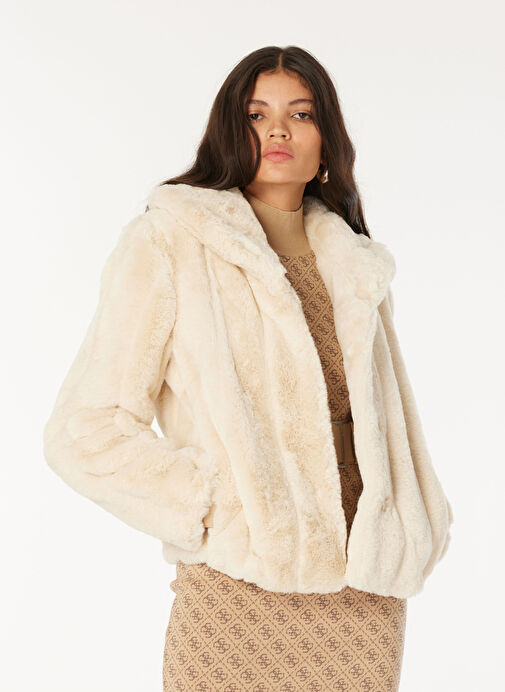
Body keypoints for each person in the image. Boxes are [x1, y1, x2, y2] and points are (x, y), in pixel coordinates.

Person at [43, 45, 453, 691]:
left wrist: (415, 519)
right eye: (256, 115)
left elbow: (382, 421)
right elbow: (86, 428)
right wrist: (214, 506)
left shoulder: (356, 265)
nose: (278, 131)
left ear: (327, 140)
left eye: (301, 114)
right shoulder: (170, 242)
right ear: (228, 133)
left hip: (363, 586)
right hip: (238, 583)